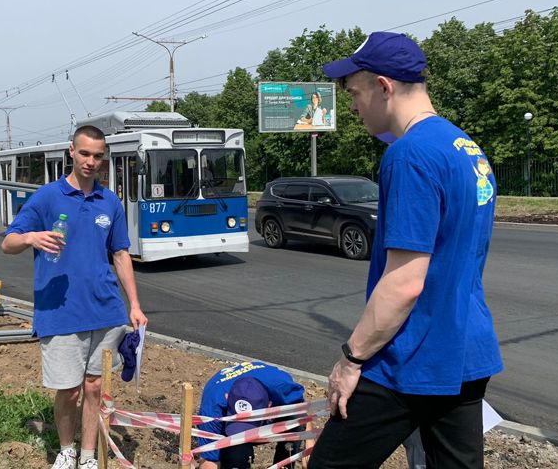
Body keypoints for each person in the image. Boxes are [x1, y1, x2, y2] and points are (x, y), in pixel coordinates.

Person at [307, 32, 503, 469]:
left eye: (355, 93)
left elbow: (405, 282)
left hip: (410, 357)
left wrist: (351, 358)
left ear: (383, 86)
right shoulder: (465, 147)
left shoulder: (409, 155)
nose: (353, 106)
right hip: (466, 351)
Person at [1, 125, 148, 469]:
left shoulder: (109, 201)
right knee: (68, 390)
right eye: (84, 153)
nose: (90, 161)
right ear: (71, 151)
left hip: (106, 310)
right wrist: (31, 238)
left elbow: (121, 254)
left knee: (95, 388)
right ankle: (66, 449)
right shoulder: (47, 197)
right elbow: (7, 243)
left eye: (98, 156)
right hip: (61, 311)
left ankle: (87, 455)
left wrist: (135, 306)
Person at [197, 361, 307, 469]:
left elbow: (300, 407)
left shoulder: (280, 386)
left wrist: (309, 443)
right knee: (237, 455)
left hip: (270, 404)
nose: (244, 436)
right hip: (223, 419)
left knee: (295, 419)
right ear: (227, 398)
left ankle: (284, 465)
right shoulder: (212, 408)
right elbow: (209, 460)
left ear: (269, 407)